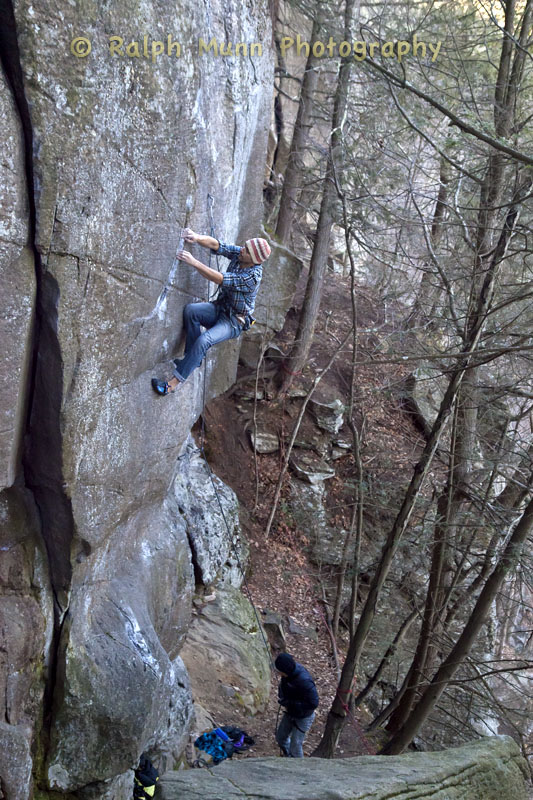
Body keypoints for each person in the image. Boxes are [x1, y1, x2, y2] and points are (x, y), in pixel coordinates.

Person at [151, 228, 271, 395]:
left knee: (204, 340)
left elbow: (220, 279)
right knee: (191, 311)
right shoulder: (242, 255)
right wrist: (197, 237)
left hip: (234, 321)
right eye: (244, 246)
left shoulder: (252, 277)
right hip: (220, 308)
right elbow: (219, 245)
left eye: (247, 250)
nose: (242, 249)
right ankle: (191, 358)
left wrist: (194, 262)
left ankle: (171, 385)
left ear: (254, 260)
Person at [275, 652, 319, 758]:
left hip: (304, 716)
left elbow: (314, 703)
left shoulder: (304, 681)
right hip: (291, 712)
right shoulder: (288, 675)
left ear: (285, 670)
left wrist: (291, 703)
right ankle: (288, 757)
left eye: (280, 671)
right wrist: (283, 697)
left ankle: (298, 767)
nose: (278, 673)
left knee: (295, 745)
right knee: (280, 737)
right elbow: (284, 686)